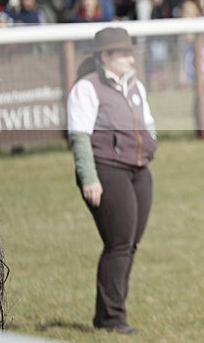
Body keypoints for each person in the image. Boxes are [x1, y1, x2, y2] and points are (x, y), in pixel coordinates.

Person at [66, 27, 157, 335]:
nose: (130, 58)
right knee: (118, 243)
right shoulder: (86, 88)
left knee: (129, 244)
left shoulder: (135, 85)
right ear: (104, 56)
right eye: (123, 53)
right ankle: (111, 319)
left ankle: (110, 314)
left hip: (139, 170)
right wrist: (89, 178)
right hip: (106, 169)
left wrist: (150, 142)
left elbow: (148, 122)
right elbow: (79, 138)